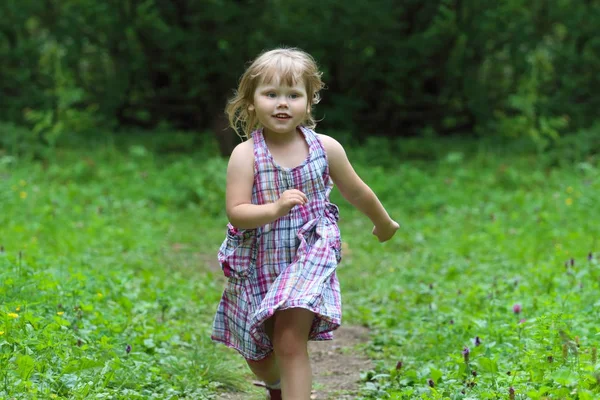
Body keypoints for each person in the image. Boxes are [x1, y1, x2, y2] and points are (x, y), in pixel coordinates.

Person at [211, 47, 399, 400]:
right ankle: (275, 384)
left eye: (293, 95)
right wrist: (274, 209)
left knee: (288, 339)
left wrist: (383, 222)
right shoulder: (245, 154)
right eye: (271, 94)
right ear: (251, 102)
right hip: (259, 257)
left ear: (309, 102)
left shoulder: (325, 148)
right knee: (260, 354)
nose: (282, 103)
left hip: (309, 252)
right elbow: (236, 211)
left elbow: (357, 191)